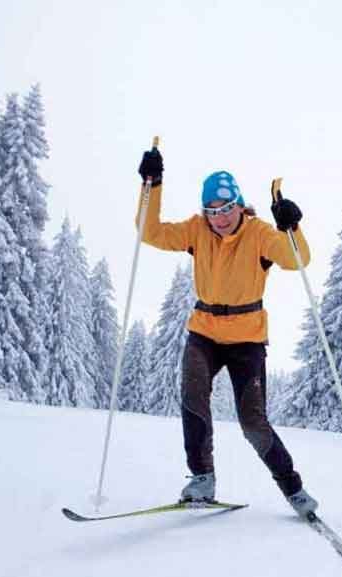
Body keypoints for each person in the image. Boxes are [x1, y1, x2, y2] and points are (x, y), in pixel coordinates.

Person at [135, 146, 318, 517]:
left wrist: (292, 226)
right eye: (211, 211)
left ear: (239, 204)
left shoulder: (259, 233)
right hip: (204, 331)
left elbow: (297, 260)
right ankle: (202, 478)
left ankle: (294, 490)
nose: (218, 218)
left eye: (225, 209)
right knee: (193, 393)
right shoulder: (196, 230)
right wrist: (151, 186)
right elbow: (148, 232)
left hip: (247, 339)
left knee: (252, 422)